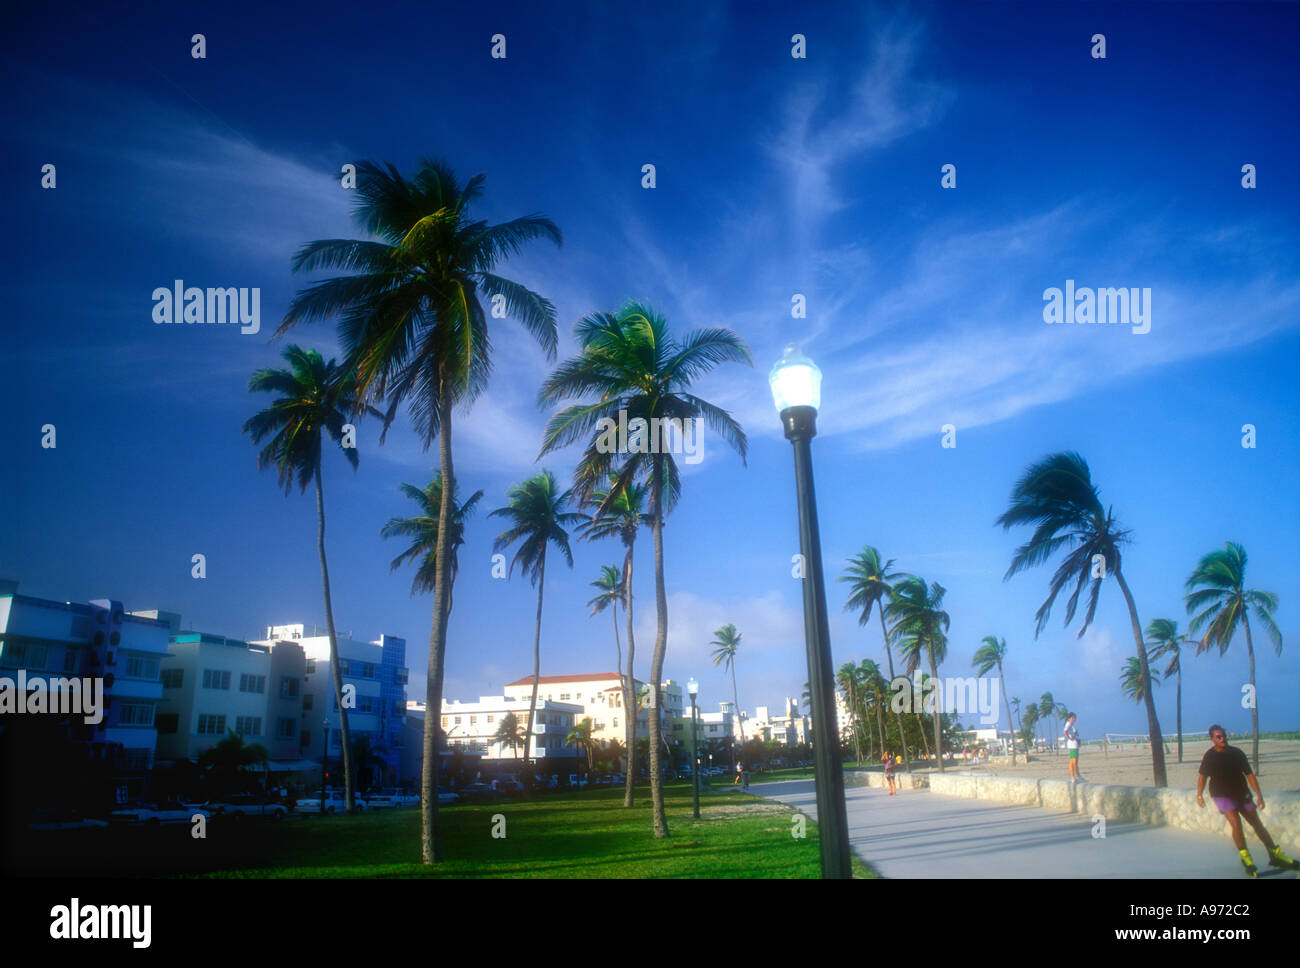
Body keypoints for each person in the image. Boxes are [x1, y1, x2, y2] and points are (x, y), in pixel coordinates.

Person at [1197, 724, 1298, 877]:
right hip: (1221, 794)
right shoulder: (1209, 756)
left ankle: (1275, 854)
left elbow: (1249, 774)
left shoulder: (1237, 753)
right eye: (1218, 736)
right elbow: (1202, 776)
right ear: (1212, 739)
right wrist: (1199, 795)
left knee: (1256, 823)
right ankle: (1246, 858)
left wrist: (1259, 795)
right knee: (1236, 823)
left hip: (1241, 792)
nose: (1223, 738)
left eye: (1224, 735)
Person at [1063, 713, 1082, 783]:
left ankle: (1074, 777)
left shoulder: (1071, 725)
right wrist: (1070, 738)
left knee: (1072, 761)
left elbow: (1073, 733)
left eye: (1074, 718)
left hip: (1074, 743)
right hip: (1073, 744)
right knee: (1074, 762)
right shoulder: (1068, 724)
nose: (1074, 719)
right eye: (1072, 718)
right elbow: (1065, 732)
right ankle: (1077, 777)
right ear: (1069, 718)